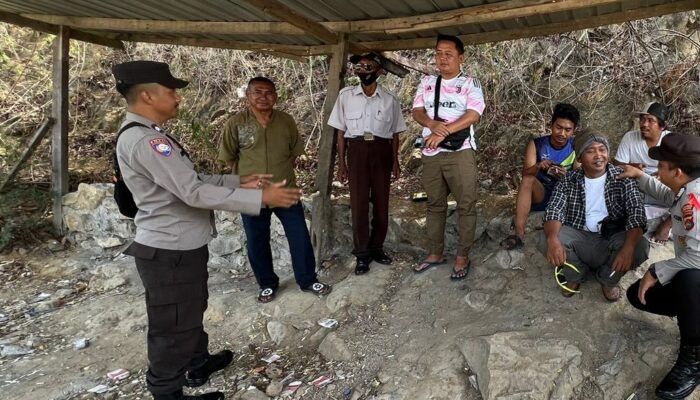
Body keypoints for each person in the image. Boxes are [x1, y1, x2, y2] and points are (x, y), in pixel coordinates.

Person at [113, 61, 302, 400]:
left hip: (180, 245)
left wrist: (237, 181)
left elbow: (192, 179)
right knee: (171, 324)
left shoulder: (152, 135)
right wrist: (259, 197)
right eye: (170, 91)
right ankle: (167, 391)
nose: (177, 98)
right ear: (146, 95)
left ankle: (197, 362)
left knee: (190, 309)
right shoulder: (146, 142)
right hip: (168, 249)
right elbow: (193, 193)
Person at [218, 77, 331, 303]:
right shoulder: (236, 123)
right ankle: (267, 283)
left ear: (276, 96)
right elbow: (229, 158)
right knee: (256, 240)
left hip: (285, 190)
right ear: (248, 96)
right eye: (257, 92)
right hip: (251, 195)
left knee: (299, 236)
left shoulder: (286, 121)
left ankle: (308, 279)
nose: (263, 97)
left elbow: (293, 152)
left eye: (269, 92)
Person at [619, 134, 700, 399]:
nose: (656, 169)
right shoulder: (689, 188)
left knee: (688, 279)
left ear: (677, 172)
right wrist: (639, 176)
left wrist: (657, 270)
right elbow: (671, 197)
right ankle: (694, 314)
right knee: (639, 296)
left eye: (661, 166)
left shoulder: (695, 203)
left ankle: (694, 360)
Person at [536, 129, 649, 301]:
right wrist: (553, 239)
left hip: (611, 239)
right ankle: (575, 276)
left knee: (640, 245)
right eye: (590, 151)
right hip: (580, 238)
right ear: (579, 158)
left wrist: (628, 249)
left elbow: (637, 214)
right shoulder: (568, 180)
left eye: (602, 150)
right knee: (545, 239)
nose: (598, 155)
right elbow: (554, 210)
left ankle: (608, 279)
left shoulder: (623, 178)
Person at [411, 34, 486, 280]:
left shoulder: (470, 83)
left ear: (460, 58)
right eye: (439, 53)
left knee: (466, 204)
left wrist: (443, 131)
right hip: (432, 154)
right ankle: (435, 253)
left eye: (448, 54)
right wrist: (432, 124)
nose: (442, 58)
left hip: (460, 151)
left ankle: (462, 255)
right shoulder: (427, 81)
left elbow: (474, 114)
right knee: (434, 205)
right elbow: (417, 111)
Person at [328, 53, 406, 275]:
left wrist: (395, 161)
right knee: (359, 204)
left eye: (369, 67)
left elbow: (395, 135)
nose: (364, 71)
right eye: (360, 67)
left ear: (379, 71)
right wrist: (342, 164)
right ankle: (362, 254)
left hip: (382, 151)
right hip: (357, 151)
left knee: (381, 203)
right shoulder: (346, 96)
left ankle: (377, 248)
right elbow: (340, 133)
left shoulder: (390, 99)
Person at [500, 103, 580, 250]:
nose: (562, 133)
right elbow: (525, 174)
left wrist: (566, 175)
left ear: (574, 130)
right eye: (558, 127)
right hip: (542, 193)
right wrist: (538, 166)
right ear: (551, 125)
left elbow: (581, 178)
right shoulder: (537, 144)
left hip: (565, 195)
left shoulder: (576, 146)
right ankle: (519, 235)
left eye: (568, 130)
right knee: (528, 179)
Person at [613, 101, 672, 244]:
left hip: (662, 190)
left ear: (662, 126)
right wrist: (631, 166)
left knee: (684, 197)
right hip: (636, 186)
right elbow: (616, 166)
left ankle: (667, 224)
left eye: (650, 120)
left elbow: (681, 177)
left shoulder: (671, 141)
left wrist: (662, 175)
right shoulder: (630, 137)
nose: (644, 124)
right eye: (642, 119)